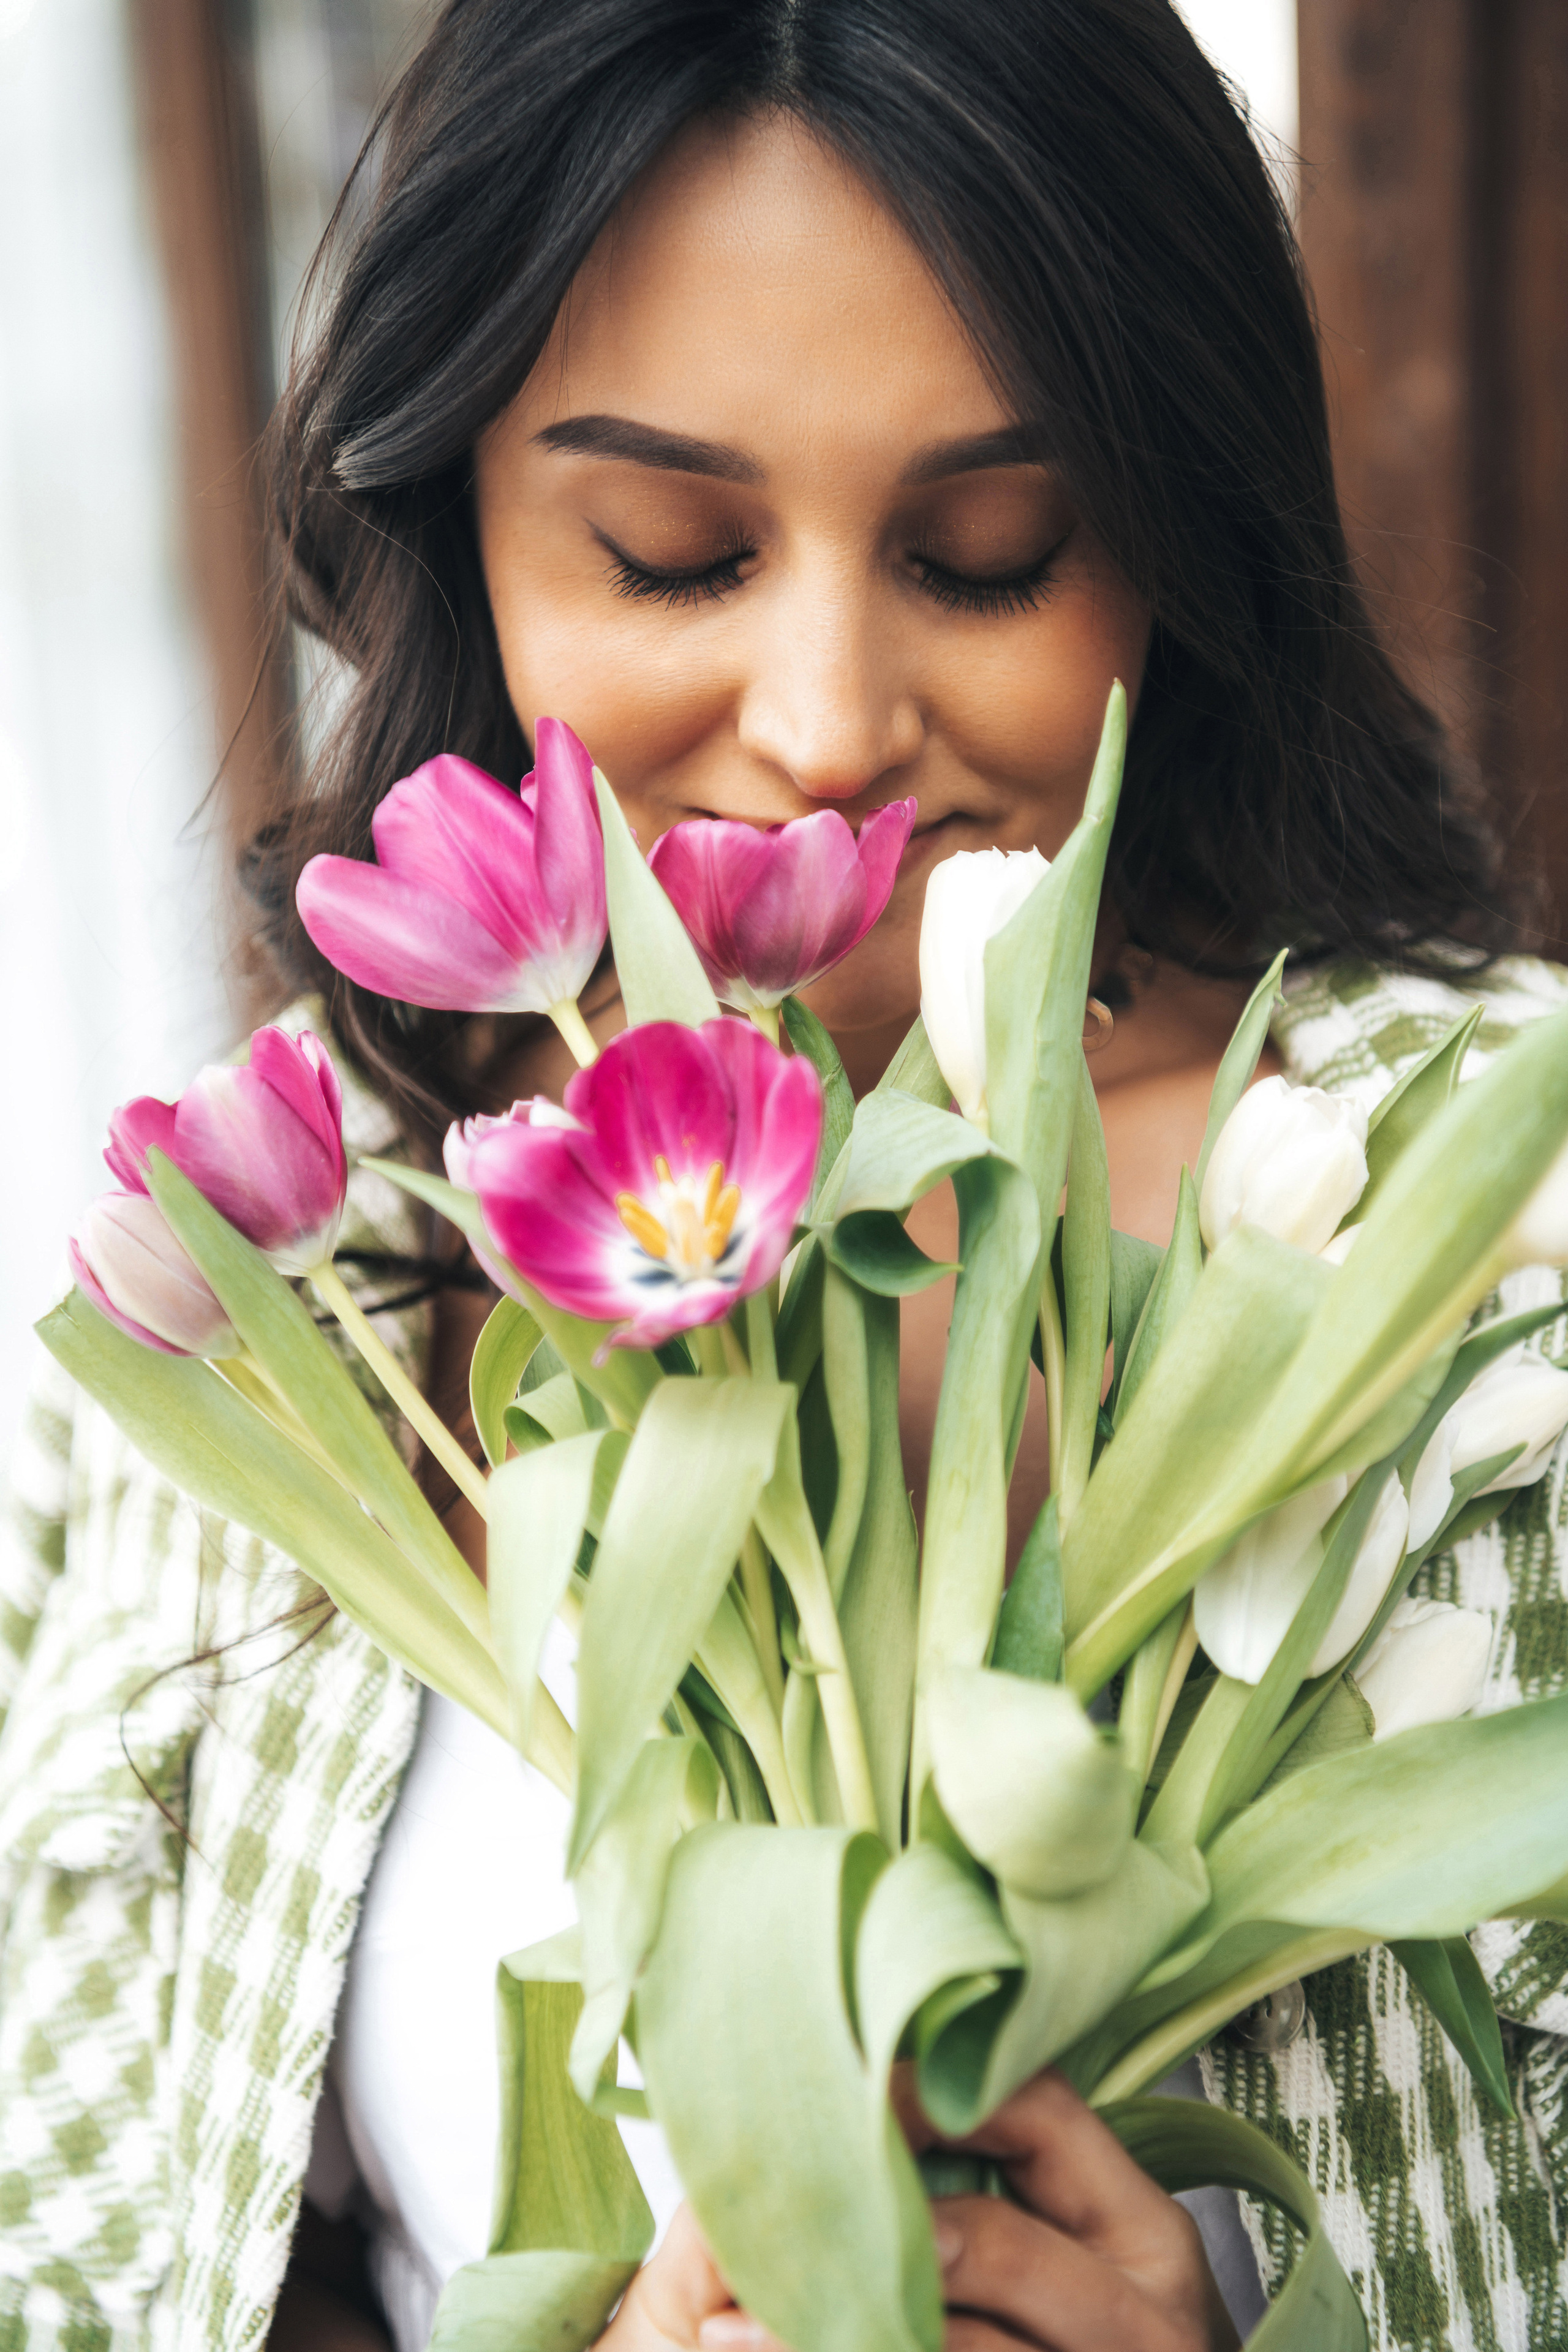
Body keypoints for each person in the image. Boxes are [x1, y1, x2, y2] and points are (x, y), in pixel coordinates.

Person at [4, 4, 1567, 2348]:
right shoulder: (281, 1285)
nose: (830, 727)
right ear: (463, 538)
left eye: (989, 555)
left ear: (1170, 556)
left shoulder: (1463, 1214)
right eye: (670, 553)